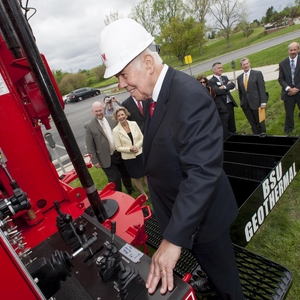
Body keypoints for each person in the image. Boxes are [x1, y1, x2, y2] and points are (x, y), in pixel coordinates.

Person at [99, 18, 244, 299]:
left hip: (204, 222)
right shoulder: (156, 96)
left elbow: (202, 173)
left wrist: (174, 240)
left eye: (123, 74)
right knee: (214, 274)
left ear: (149, 64)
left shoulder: (189, 97)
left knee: (230, 290)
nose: (120, 84)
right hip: (183, 215)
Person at [84, 101, 134, 194]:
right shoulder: (89, 126)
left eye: (100, 110)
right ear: (92, 111)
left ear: (103, 109)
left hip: (119, 153)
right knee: (114, 179)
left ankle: (130, 189)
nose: (99, 113)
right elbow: (90, 145)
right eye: (96, 111)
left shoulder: (112, 119)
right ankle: (118, 195)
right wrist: (94, 160)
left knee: (125, 173)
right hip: (106, 157)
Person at [112, 106, 148, 199]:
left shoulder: (134, 124)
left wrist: (137, 146)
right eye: (118, 116)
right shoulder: (116, 130)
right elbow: (118, 147)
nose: (121, 117)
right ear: (116, 118)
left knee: (145, 174)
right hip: (129, 158)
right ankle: (143, 193)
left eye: (122, 114)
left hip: (139, 153)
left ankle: (151, 190)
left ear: (126, 115)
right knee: (136, 176)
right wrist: (129, 149)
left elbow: (141, 137)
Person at [237, 58, 268, 134]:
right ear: (241, 66)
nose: (246, 65)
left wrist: (263, 102)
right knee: (252, 123)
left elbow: (261, 88)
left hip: (256, 103)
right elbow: (240, 92)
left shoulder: (257, 74)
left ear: (249, 63)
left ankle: (263, 135)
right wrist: (242, 102)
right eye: (244, 64)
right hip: (246, 105)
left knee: (260, 122)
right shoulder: (239, 78)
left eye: (247, 63)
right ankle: (256, 135)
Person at [209, 62, 238, 139]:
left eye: (221, 67)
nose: (221, 69)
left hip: (229, 104)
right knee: (225, 125)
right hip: (222, 106)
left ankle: (234, 137)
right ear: (214, 70)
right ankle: (226, 140)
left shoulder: (224, 77)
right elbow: (217, 91)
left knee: (232, 123)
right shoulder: (211, 81)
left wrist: (224, 87)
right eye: (219, 68)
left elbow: (233, 85)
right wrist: (227, 86)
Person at [278, 41, 300, 135]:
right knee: (289, 114)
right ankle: (288, 131)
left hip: (299, 91)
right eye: (291, 50)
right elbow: (281, 79)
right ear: (288, 51)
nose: (293, 52)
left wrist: (296, 89)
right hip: (288, 93)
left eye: (295, 49)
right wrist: (289, 89)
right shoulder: (282, 64)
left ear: (298, 50)